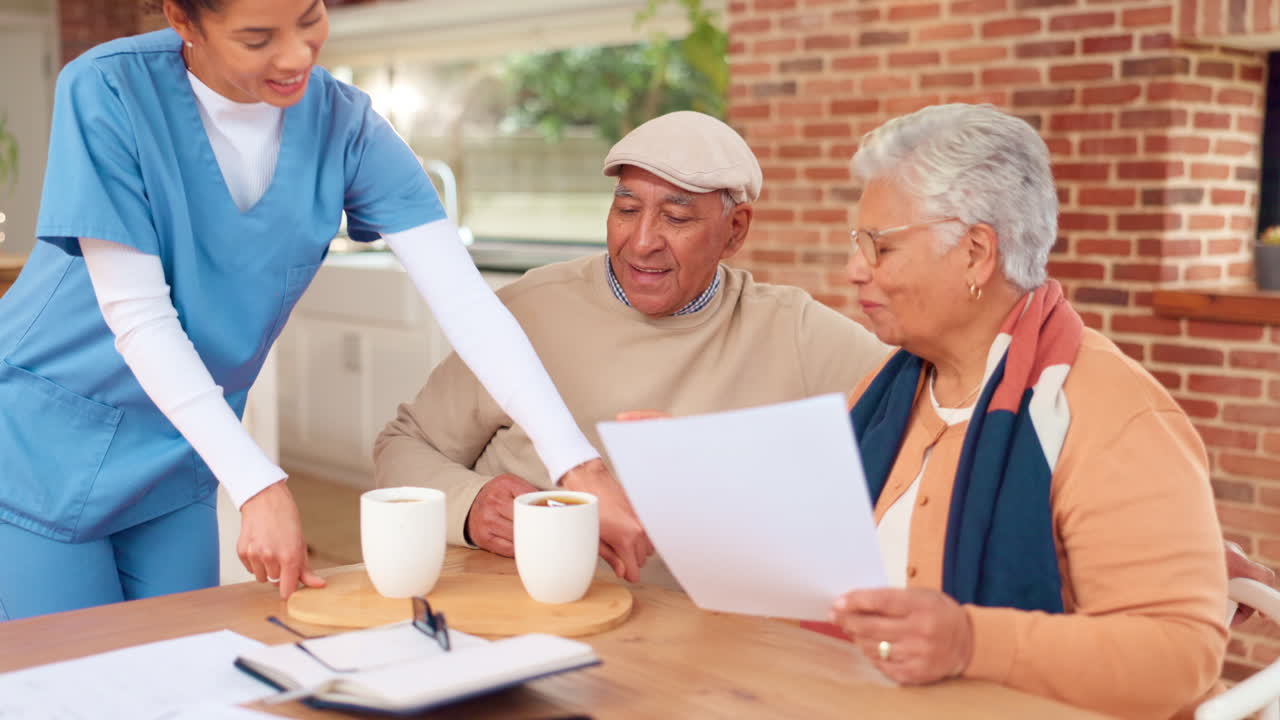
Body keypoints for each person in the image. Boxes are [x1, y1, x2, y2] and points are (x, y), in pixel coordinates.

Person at [0, 0, 627, 620]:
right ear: (182, 20)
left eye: (309, 19)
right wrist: (259, 485)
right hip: (41, 442)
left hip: (179, 448)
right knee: (72, 681)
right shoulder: (109, 89)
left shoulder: (343, 123)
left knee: (181, 667)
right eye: (256, 37)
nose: (297, 55)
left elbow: (468, 305)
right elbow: (140, 317)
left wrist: (579, 466)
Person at [826, 104, 1226, 718]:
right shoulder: (883, 392)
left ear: (976, 253)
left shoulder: (1114, 414)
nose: (854, 271)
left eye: (878, 247)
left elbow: (1179, 657)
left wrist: (970, 642)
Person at [373, 110, 889, 585]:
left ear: (735, 231)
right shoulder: (532, 308)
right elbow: (402, 445)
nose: (642, 241)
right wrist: (470, 505)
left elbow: (929, 418)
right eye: (626, 209)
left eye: (676, 218)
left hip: (695, 633)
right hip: (522, 605)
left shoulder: (795, 331)